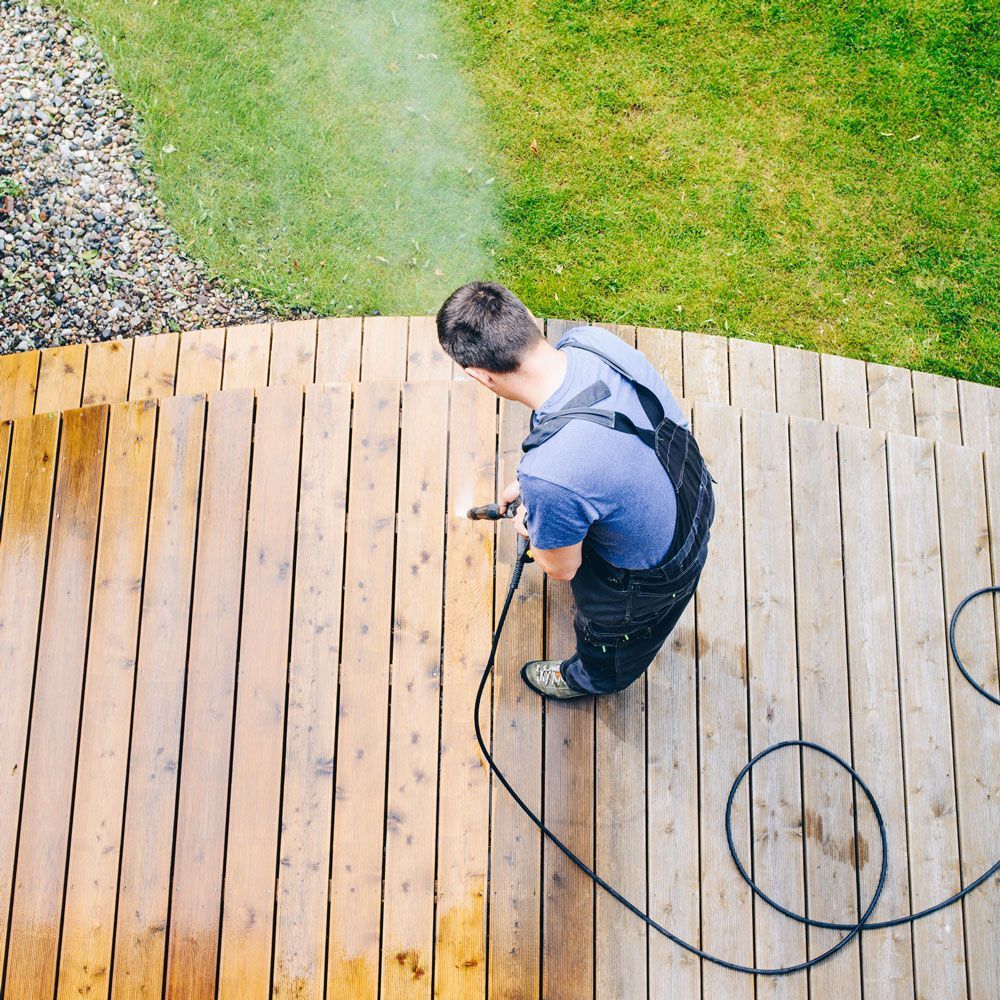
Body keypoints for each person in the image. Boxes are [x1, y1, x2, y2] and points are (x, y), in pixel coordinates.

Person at [437, 281, 715, 699]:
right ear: (528, 316)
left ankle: (591, 679)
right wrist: (546, 488)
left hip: (655, 577)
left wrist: (541, 515)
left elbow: (562, 569)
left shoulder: (551, 475)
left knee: (614, 641)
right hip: (691, 491)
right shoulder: (590, 343)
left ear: (480, 376)